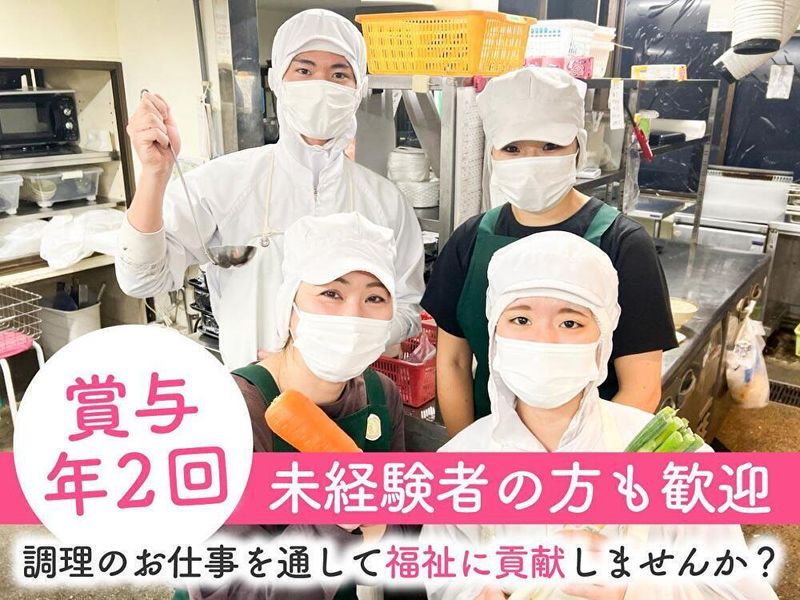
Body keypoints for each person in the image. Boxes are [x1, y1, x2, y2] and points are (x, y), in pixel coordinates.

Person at [421, 232, 777, 600]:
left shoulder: (674, 464)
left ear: (602, 339)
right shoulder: (458, 465)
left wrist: (637, 589)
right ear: (495, 334)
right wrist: (473, 591)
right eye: (521, 319)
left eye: (570, 323)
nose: (543, 340)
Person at [116, 9, 424, 368]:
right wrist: (154, 175)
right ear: (277, 80)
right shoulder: (224, 183)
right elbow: (142, 279)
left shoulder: (386, 201)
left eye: (339, 74)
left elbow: (407, 308)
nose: (321, 85)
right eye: (304, 70)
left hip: (353, 388)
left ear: (359, 89)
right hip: (253, 385)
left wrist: (336, 344)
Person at [422, 66, 677, 436]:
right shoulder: (470, 240)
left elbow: (641, 387)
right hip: (488, 441)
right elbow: (453, 363)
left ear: (578, 147)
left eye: (549, 147)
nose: (531, 160)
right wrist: (473, 450)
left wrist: (580, 458)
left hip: (590, 450)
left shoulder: (623, 244)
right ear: (493, 153)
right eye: (513, 148)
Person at [189, 213, 413, 600]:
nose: (353, 314)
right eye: (332, 294)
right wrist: (334, 520)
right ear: (290, 309)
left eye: (375, 298)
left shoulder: (382, 396)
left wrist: (379, 532)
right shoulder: (233, 412)